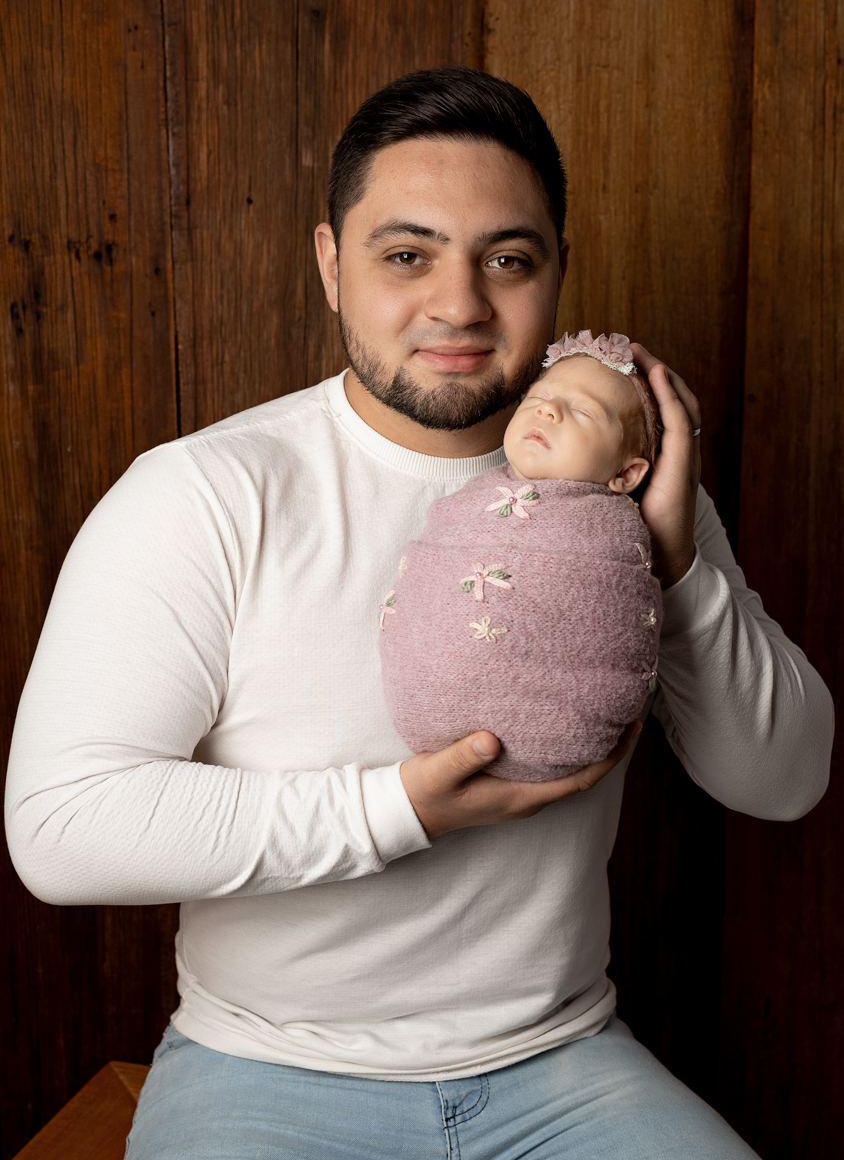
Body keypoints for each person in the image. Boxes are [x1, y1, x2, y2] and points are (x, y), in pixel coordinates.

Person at [5, 68, 833, 1159]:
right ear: (329, 265)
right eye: (407, 255)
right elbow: (62, 830)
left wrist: (678, 564)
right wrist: (401, 810)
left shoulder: (624, 488)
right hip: (264, 1071)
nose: (459, 305)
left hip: (564, 1066)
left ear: (558, 271)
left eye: (508, 259)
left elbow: (783, 781)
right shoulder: (205, 494)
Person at [379, 330, 664, 781]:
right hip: (422, 711)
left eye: (583, 411)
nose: (548, 410)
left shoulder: (619, 527)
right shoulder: (471, 497)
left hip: (563, 726)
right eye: (539, 397)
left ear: (627, 473)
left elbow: (610, 625)